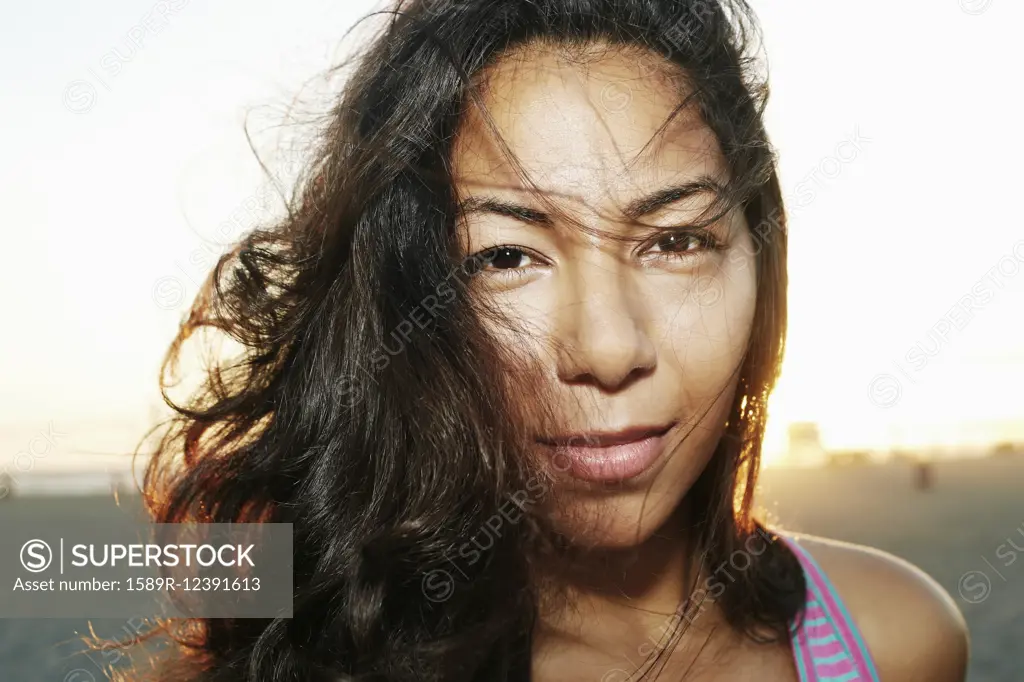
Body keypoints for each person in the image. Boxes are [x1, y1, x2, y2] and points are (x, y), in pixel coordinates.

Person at [108, 1, 969, 680]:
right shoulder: (315, 648)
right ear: (416, 309)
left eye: (675, 240)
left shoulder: (898, 639)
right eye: (507, 256)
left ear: (759, 259)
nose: (605, 346)